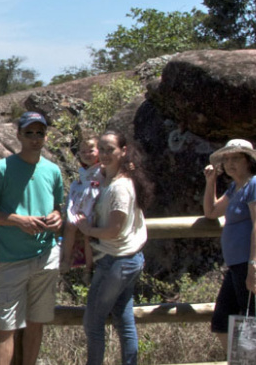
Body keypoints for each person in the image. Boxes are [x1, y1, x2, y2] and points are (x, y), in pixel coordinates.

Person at [0, 111, 64, 365]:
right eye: (29, 133)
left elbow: (57, 207)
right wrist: (18, 220)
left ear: (46, 136)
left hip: (46, 256)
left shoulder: (53, 170)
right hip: (11, 259)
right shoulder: (2, 169)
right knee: (7, 327)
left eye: (40, 133)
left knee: (36, 323)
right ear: (18, 135)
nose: (35, 138)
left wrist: (57, 217)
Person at [75, 130, 152, 365]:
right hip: (126, 259)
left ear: (123, 151)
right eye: (102, 149)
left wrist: (87, 229)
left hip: (117, 261)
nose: (105, 154)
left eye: (111, 149)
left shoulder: (120, 187)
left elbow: (114, 230)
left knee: (93, 322)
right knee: (122, 317)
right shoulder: (107, 178)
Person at [202, 138, 256, 355]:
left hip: (252, 263)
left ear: (249, 161)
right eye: (226, 159)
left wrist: (254, 266)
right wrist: (211, 181)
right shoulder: (236, 187)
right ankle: (244, 360)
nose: (230, 163)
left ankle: (252, 360)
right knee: (222, 321)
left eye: (236, 158)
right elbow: (211, 212)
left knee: (253, 324)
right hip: (237, 265)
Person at [60, 135, 102, 280]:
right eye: (83, 152)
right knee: (70, 226)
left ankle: (89, 269)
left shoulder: (103, 168)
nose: (87, 154)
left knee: (87, 236)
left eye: (91, 150)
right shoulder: (83, 171)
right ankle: (66, 260)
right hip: (83, 204)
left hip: (95, 206)